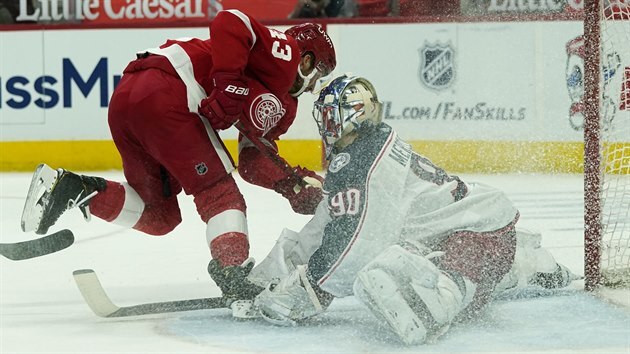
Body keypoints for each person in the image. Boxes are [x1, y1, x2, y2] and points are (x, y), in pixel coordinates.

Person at [20, 10, 336, 304]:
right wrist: (229, 85)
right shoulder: (284, 55)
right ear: (306, 61)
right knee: (219, 194)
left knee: (160, 218)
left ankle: (76, 189)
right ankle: (232, 272)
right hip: (169, 89)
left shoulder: (284, 106)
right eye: (318, 74)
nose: (313, 88)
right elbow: (230, 20)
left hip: (128, 99)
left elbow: (252, 163)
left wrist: (290, 183)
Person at [244, 75, 579, 345]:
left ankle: (445, 297)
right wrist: (275, 274)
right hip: (466, 226)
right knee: (423, 259)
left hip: (478, 229)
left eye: (332, 115)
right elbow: (327, 224)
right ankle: (535, 265)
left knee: (442, 273)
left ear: (355, 114)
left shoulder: (364, 161)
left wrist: (313, 286)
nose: (326, 124)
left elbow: (359, 240)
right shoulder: (360, 152)